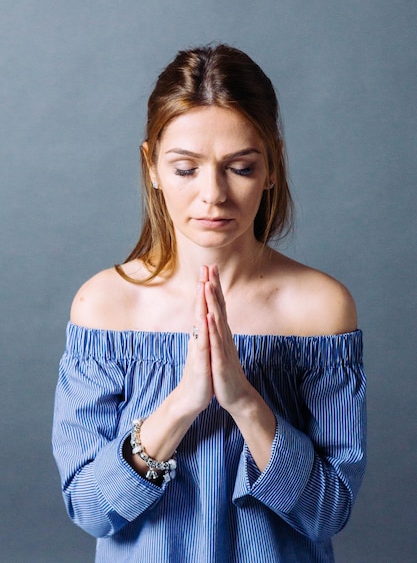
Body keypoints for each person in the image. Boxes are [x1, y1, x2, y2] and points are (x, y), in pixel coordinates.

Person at [52, 44, 366, 563]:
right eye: (185, 169)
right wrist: (181, 405)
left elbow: (328, 513)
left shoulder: (320, 308)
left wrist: (244, 402)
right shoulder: (104, 304)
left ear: (271, 167)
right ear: (152, 166)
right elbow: (87, 509)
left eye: (240, 167)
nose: (213, 194)